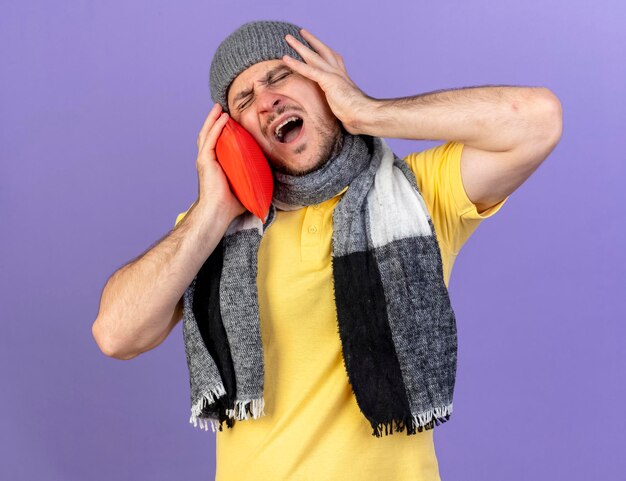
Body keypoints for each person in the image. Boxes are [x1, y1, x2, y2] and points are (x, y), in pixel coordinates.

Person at [92, 19, 562, 481]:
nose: (267, 100)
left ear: (322, 85)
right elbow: (116, 334)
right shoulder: (209, 233)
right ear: (234, 134)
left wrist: (367, 111)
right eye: (244, 100)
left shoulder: (418, 196)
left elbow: (538, 120)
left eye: (279, 76)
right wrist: (212, 210)